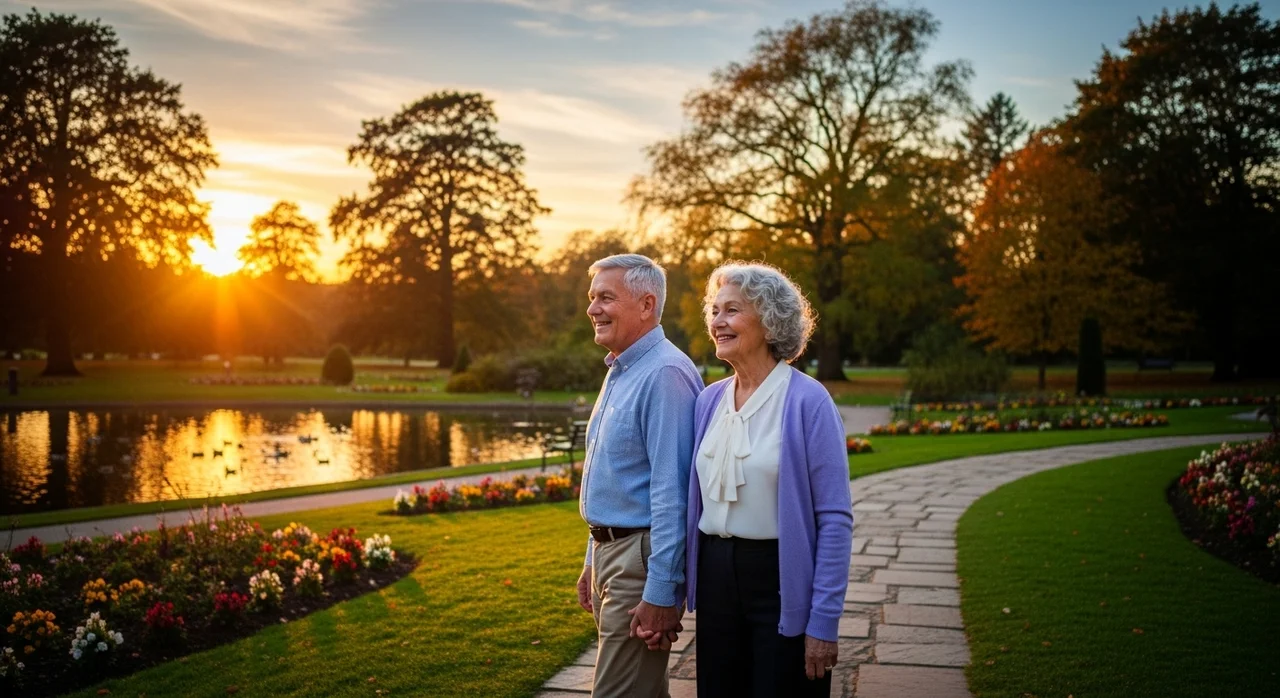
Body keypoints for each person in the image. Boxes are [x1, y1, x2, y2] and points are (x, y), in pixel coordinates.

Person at [683, 261, 853, 697]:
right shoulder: (707, 401)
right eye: (715, 310)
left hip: (779, 577)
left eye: (732, 310)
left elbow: (834, 520)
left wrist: (824, 622)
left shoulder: (808, 401)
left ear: (770, 320)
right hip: (716, 576)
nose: (718, 322)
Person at [576, 253, 702, 697]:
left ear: (646, 305)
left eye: (606, 297)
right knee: (643, 692)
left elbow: (673, 493)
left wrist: (662, 591)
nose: (592, 308)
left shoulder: (664, 373)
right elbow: (613, 477)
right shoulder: (622, 368)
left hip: (639, 562)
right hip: (614, 556)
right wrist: (592, 559)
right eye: (593, 297)